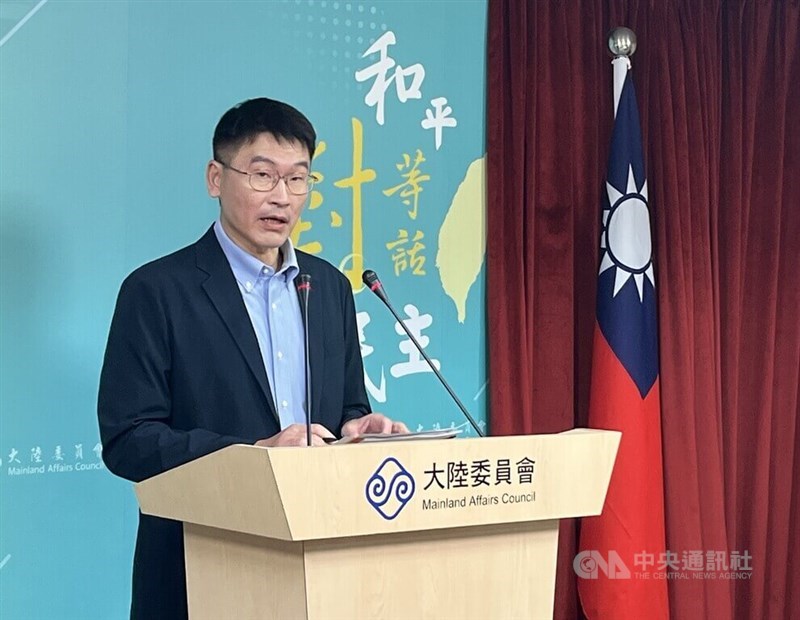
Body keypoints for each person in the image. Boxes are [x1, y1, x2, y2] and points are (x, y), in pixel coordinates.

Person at [97, 97, 408, 619]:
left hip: (321, 566)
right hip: (201, 565)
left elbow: (347, 407)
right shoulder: (156, 290)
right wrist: (254, 451)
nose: (282, 197)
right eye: (263, 175)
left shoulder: (328, 286)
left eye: (298, 179)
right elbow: (128, 440)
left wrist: (360, 428)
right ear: (216, 178)